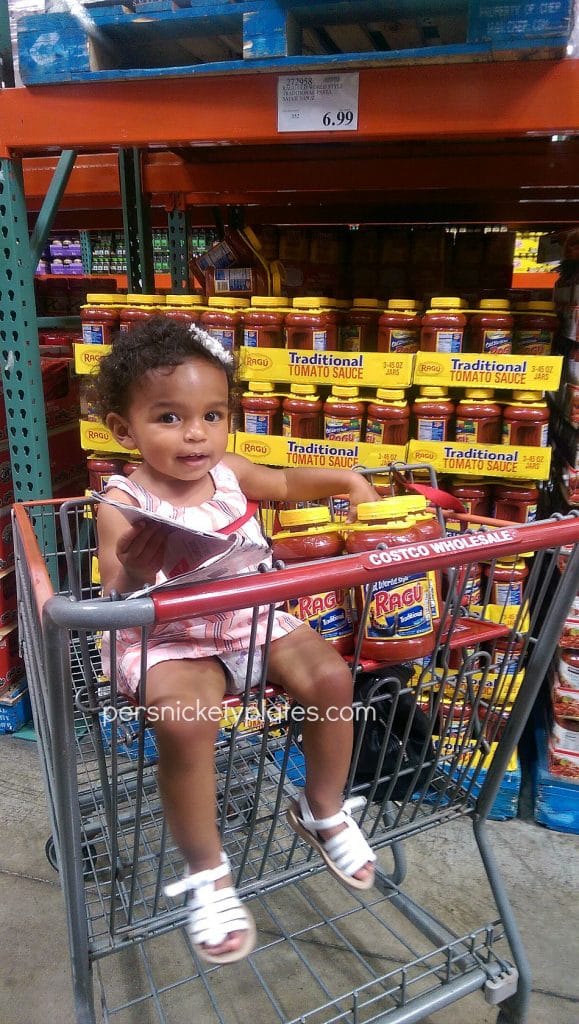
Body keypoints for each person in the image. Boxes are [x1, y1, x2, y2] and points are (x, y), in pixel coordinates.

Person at [95, 316, 378, 966]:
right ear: (123, 430)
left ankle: (321, 809)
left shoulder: (229, 473)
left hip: (249, 614)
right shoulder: (122, 501)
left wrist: (344, 482)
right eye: (169, 417)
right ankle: (209, 872)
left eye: (213, 415)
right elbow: (115, 586)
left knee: (331, 679)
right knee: (185, 722)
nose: (196, 434)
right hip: (170, 634)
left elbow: (283, 483)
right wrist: (137, 565)